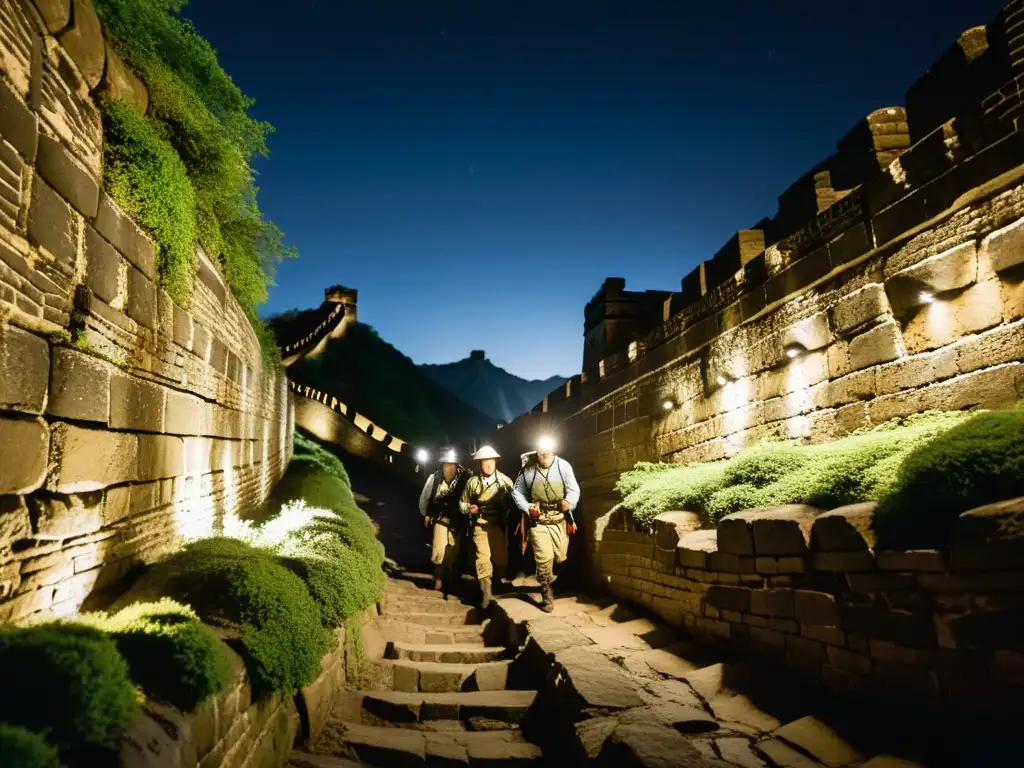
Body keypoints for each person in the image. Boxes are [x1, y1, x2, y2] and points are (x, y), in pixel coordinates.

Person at [511, 435, 580, 613]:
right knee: (544, 557)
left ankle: (556, 578)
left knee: (560, 555)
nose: (546, 454)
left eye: (549, 450)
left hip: (558, 519)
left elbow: (574, 489)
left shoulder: (563, 467)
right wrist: (527, 507)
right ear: (538, 452)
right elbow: (516, 492)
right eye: (543, 450)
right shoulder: (528, 469)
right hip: (539, 521)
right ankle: (546, 592)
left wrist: (569, 503)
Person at [459, 445, 515, 609]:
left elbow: (515, 504)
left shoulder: (505, 482)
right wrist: (469, 508)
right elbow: (462, 502)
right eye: (485, 462)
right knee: (482, 559)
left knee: (501, 559)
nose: (489, 465)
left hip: (498, 525)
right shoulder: (473, 483)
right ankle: (486, 593)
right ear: (480, 464)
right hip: (480, 525)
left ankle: (497, 581)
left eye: (492, 461)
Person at [418, 448, 470, 592]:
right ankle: (438, 578)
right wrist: (427, 514)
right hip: (441, 519)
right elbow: (425, 498)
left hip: (457, 521)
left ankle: (453, 578)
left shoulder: (464, 479)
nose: (450, 468)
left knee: (453, 551)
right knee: (439, 549)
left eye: (453, 465)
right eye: (447, 465)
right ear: (442, 465)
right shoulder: (434, 479)